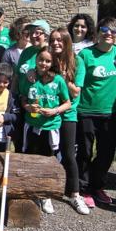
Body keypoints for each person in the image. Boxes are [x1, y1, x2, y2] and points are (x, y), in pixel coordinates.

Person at [75, 17, 116, 207]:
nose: (109, 33)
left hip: (110, 114)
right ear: (97, 33)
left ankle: (97, 186)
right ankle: (82, 188)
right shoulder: (85, 55)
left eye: (113, 31)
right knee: (84, 152)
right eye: (104, 29)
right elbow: (77, 82)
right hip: (86, 111)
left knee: (106, 153)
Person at [19, 48, 71, 214]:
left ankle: (46, 194)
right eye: (41, 59)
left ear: (53, 63)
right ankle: (31, 191)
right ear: (36, 60)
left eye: (48, 61)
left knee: (49, 159)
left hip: (50, 127)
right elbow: (23, 98)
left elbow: (67, 102)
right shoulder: (30, 78)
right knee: (30, 158)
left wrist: (54, 111)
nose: (44, 63)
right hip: (32, 125)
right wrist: (27, 106)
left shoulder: (58, 80)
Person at [49, 28, 90, 215]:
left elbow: (75, 92)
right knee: (47, 152)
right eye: (53, 40)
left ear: (66, 42)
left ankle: (74, 193)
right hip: (48, 112)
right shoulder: (48, 59)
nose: (56, 43)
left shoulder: (77, 61)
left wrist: (64, 77)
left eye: (60, 40)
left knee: (68, 153)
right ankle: (46, 191)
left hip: (67, 114)